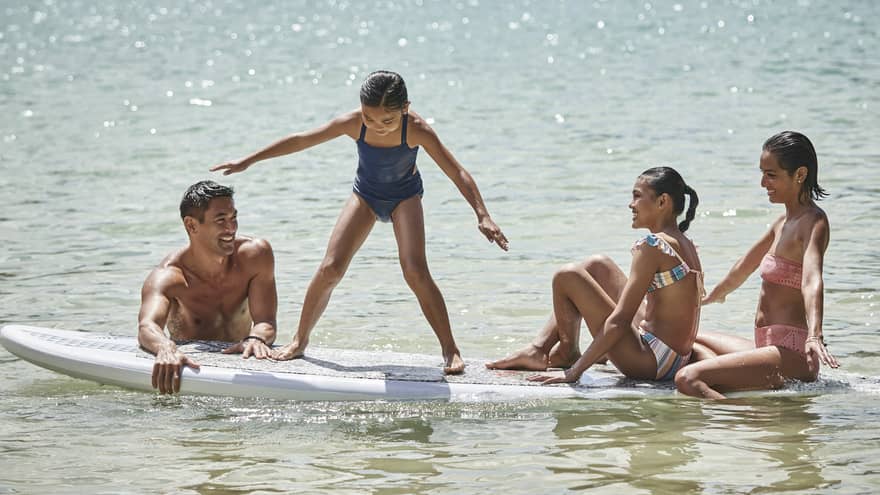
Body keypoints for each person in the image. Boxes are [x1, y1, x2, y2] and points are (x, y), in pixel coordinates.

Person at [211, 70, 508, 374]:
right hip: (365, 196)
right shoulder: (353, 122)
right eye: (370, 118)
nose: (377, 127)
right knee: (330, 268)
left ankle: (450, 349)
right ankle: (300, 341)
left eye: (387, 121)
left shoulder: (417, 129)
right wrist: (249, 159)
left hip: (404, 198)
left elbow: (456, 171)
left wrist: (482, 214)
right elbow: (302, 140)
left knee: (415, 270)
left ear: (405, 108)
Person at [487, 167, 703, 384]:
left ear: (662, 201)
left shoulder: (653, 246)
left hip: (651, 363)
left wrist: (575, 372)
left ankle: (568, 355)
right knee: (597, 264)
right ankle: (542, 349)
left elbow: (620, 321)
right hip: (674, 357)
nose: (631, 204)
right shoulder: (684, 243)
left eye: (637, 196)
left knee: (567, 275)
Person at [675, 131, 839, 399]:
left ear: (799, 174)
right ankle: (733, 384)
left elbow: (812, 279)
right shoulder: (782, 223)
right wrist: (708, 298)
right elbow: (744, 266)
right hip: (766, 347)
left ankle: (750, 417)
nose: (763, 182)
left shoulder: (814, 221)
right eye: (762, 173)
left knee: (687, 378)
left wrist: (815, 335)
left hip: (792, 355)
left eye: (771, 175)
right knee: (686, 336)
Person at [138, 180, 278, 394]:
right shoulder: (169, 277)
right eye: (221, 220)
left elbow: (266, 321)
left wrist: (256, 339)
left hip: (242, 357)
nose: (231, 228)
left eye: (234, 218)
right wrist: (165, 348)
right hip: (193, 372)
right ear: (191, 225)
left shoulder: (256, 255)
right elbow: (147, 326)